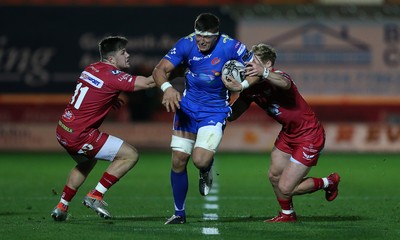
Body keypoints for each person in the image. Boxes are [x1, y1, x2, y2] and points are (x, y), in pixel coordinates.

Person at [152, 12, 260, 224]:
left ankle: (205, 168)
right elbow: (159, 70)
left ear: (216, 35)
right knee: (178, 160)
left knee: (199, 159)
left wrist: (243, 85)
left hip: (214, 111)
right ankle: (179, 213)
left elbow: (256, 70)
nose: (201, 40)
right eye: (199, 35)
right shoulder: (186, 44)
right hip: (188, 108)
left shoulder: (232, 47)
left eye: (207, 37)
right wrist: (167, 88)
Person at [224, 43, 340, 223]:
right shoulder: (250, 88)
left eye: (254, 63)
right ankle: (287, 214)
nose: (248, 67)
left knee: (286, 188)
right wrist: (217, 107)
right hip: (288, 134)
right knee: (275, 176)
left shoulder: (279, 77)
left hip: (309, 135)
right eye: (248, 63)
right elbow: (233, 114)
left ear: (268, 64)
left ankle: (329, 182)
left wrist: (263, 73)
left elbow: (285, 84)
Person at [51, 36, 156, 221]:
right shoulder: (112, 76)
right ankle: (96, 195)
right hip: (81, 136)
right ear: (112, 59)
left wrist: (108, 98)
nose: (128, 55)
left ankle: (62, 206)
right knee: (130, 154)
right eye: (123, 52)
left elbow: (92, 90)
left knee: (86, 162)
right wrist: (171, 71)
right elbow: (148, 83)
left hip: (63, 130)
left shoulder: (91, 68)